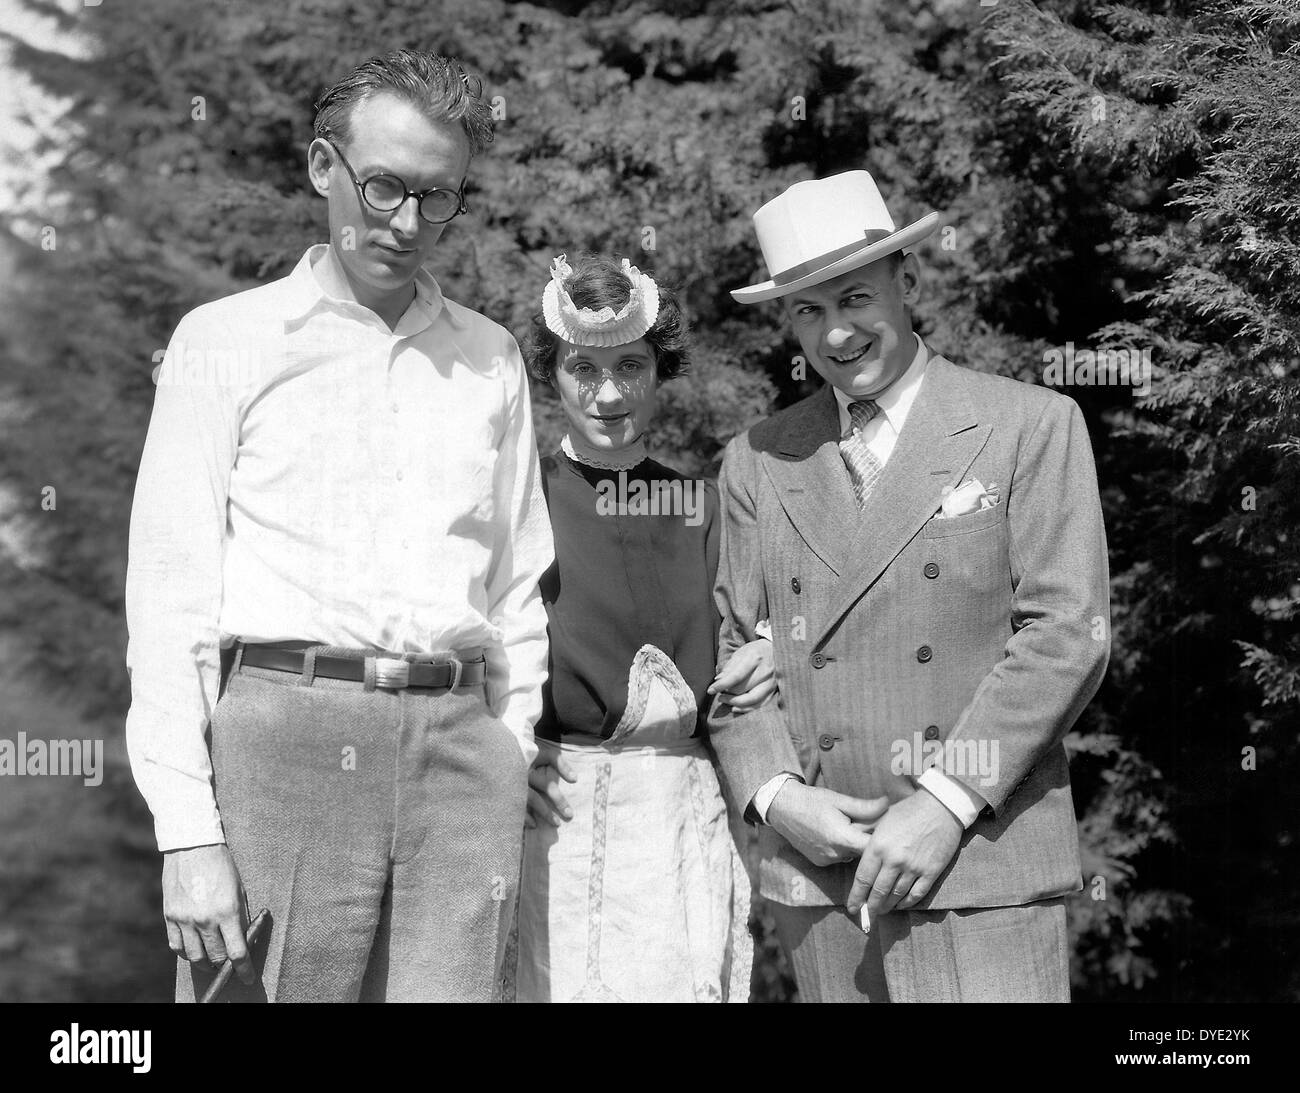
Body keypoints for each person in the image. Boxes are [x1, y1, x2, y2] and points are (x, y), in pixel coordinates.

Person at [124, 49, 552, 1002]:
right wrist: (187, 829)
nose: (407, 223)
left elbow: (520, 585)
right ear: (324, 168)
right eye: (385, 186)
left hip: (461, 763)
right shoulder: (223, 341)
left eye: (438, 197)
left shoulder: (492, 359)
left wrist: (507, 750)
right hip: (282, 748)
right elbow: (168, 595)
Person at [708, 170, 1111, 1002]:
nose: (836, 333)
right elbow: (731, 653)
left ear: (910, 280)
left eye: (854, 298)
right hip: (824, 879)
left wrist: (943, 801)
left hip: (979, 866)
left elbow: (1067, 633)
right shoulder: (758, 457)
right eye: (808, 312)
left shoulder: (1029, 425)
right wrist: (779, 797)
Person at [505, 253, 775, 1002]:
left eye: (631, 365)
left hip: (679, 819)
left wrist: (772, 647)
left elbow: (761, 632)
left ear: (661, 370)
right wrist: (499, 752)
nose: (609, 392)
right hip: (556, 817)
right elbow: (470, 640)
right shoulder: (520, 500)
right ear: (550, 374)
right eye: (582, 369)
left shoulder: (702, 506)